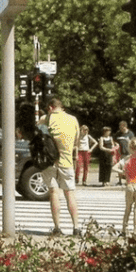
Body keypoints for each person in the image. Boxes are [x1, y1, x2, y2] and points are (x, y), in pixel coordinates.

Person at [39, 98, 81, 237]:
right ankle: (76, 227)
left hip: (49, 162)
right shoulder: (73, 119)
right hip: (66, 161)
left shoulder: (46, 118)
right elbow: (76, 141)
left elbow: (36, 135)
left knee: (53, 193)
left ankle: (57, 228)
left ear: (50, 107)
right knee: (70, 194)